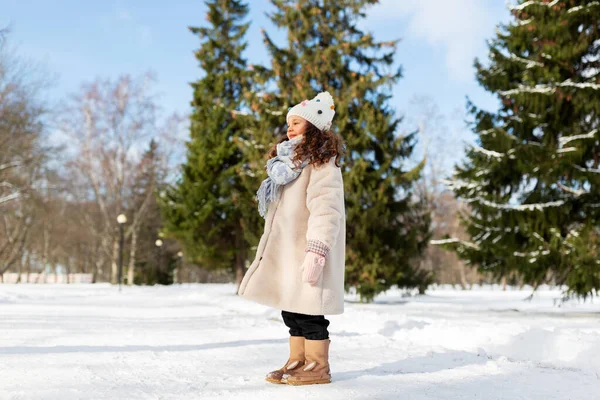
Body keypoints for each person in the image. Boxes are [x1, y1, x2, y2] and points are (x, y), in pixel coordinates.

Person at [237, 91, 346, 386]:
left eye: (297, 123)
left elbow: (327, 207)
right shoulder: (288, 164)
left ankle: (318, 366)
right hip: (289, 250)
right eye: (289, 123)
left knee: (310, 313)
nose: (290, 128)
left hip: (309, 249)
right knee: (291, 310)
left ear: (312, 127)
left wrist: (318, 249)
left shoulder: (322, 163)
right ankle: (298, 361)